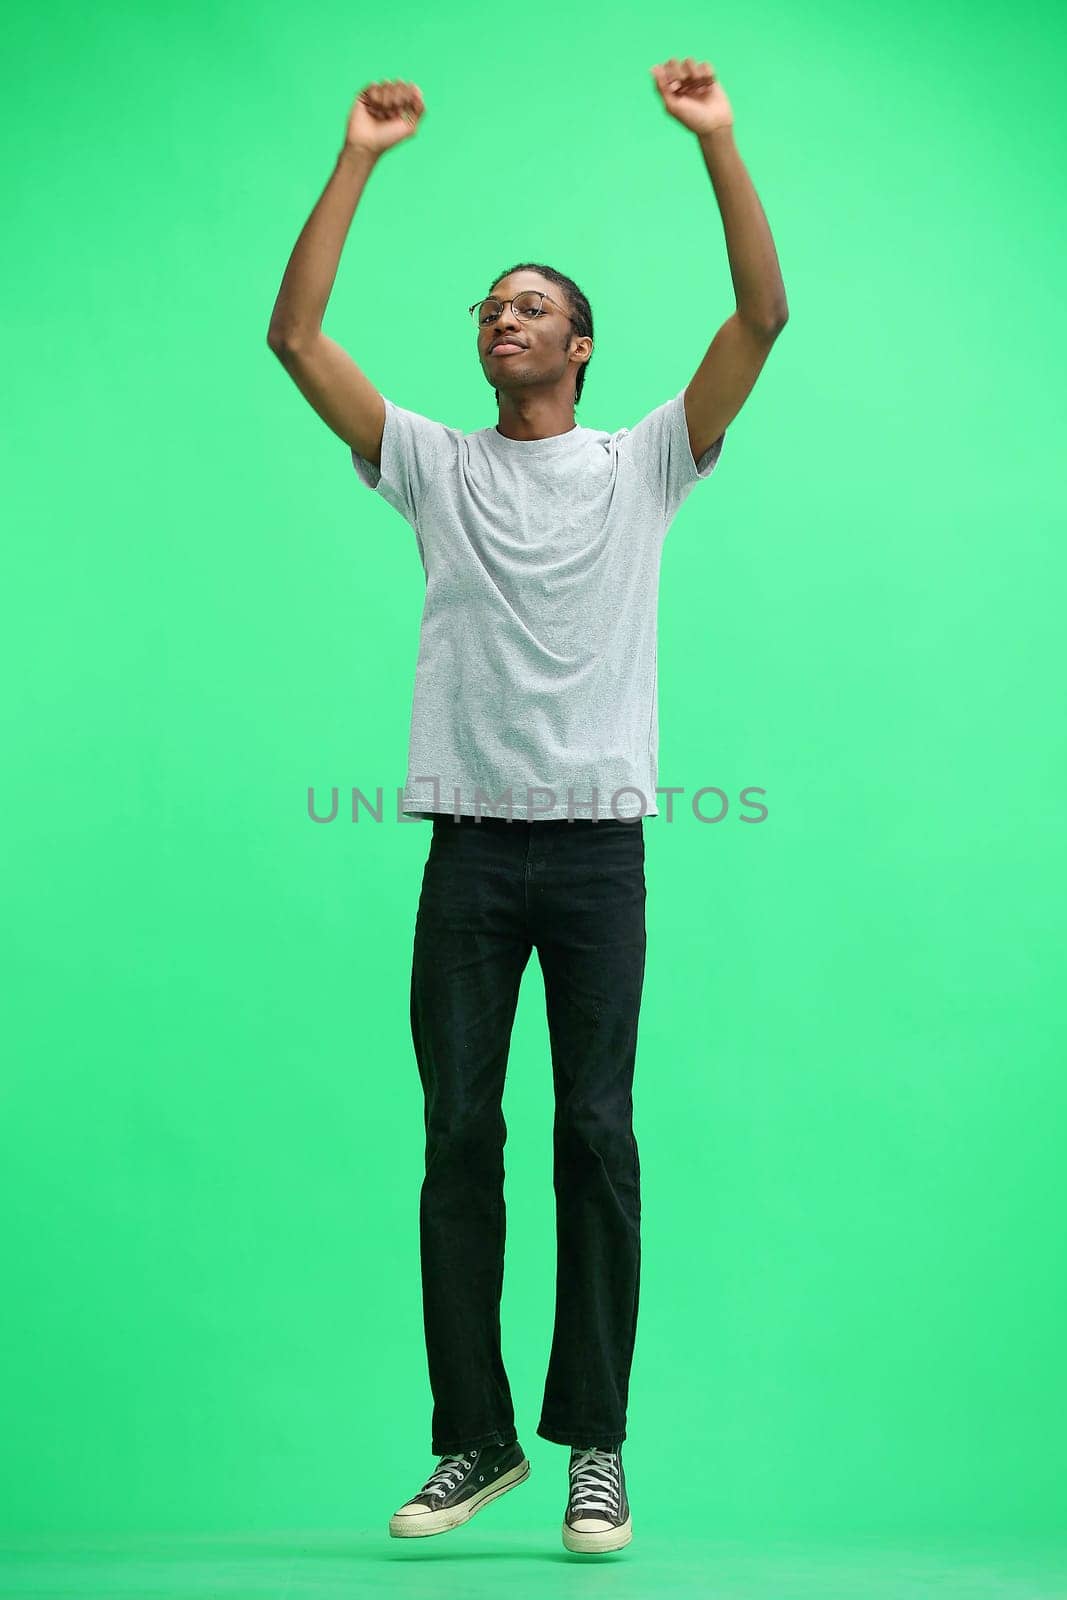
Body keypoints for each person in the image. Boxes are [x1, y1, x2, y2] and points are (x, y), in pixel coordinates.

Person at [267, 58, 788, 1555]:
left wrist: (720, 141)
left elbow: (761, 318)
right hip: (472, 858)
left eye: (531, 302)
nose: (504, 316)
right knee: (457, 1138)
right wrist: (358, 154)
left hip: (598, 858)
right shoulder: (431, 465)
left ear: (581, 342)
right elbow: (294, 335)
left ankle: (596, 1450)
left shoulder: (646, 465)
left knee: (598, 1139)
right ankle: (475, 1439)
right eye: (488, 304)